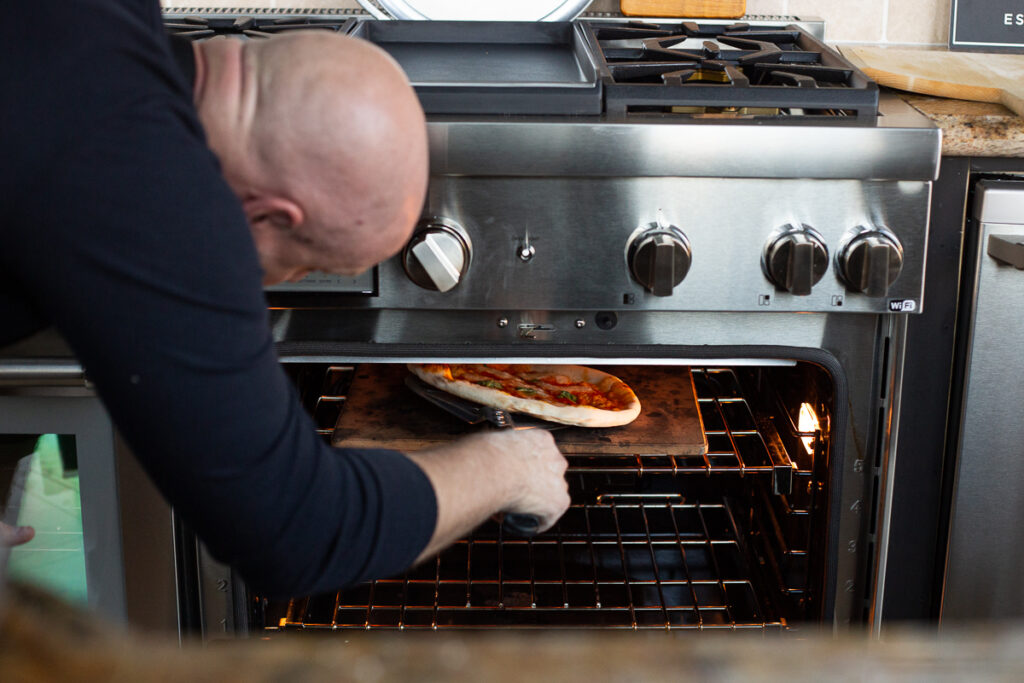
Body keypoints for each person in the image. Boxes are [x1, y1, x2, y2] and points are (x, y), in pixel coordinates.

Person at [1, 1, 569, 597]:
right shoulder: (156, 189)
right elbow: (300, 531)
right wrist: (509, 467)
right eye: (308, 265)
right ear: (267, 214)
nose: (289, 283)